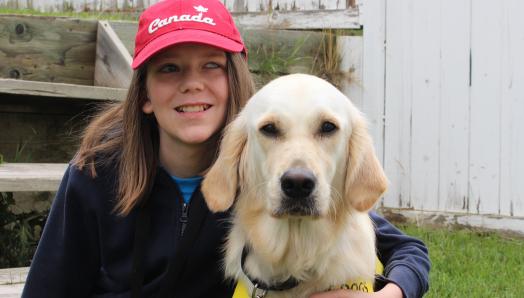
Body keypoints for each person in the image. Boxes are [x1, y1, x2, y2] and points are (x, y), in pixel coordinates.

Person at [21, 0, 430, 297]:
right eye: (169, 69)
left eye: (211, 65)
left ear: (233, 81)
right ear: (144, 93)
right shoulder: (95, 174)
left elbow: (406, 248)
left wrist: (388, 295)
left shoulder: (256, 162)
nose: (192, 83)